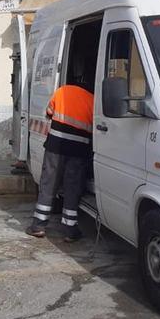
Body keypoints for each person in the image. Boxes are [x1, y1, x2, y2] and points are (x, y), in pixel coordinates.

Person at [26, 81, 94, 242]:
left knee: (48, 183)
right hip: (79, 149)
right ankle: (69, 230)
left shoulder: (62, 91)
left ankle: (38, 226)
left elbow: (49, 113)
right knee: (73, 186)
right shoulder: (93, 99)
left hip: (56, 145)